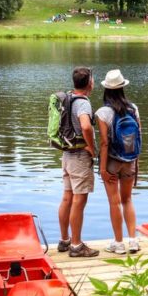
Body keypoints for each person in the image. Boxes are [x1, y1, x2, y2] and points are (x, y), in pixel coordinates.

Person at [95, 69, 141, 254]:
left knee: (114, 202)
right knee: (127, 199)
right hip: (130, 160)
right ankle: (133, 241)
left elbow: (104, 143)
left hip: (112, 161)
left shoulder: (102, 112)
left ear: (106, 89)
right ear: (122, 88)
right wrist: (137, 163)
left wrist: (103, 168)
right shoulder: (134, 108)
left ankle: (118, 243)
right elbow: (139, 136)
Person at [57, 67, 100, 257]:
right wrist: (91, 147)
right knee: (79, 200)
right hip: (80, 157)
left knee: (67, 197)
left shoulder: (68, 98)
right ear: (89, 83)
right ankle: (76, 245)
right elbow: (85, 126)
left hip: (66, 155)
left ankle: (65, 240)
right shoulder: (83, 103)